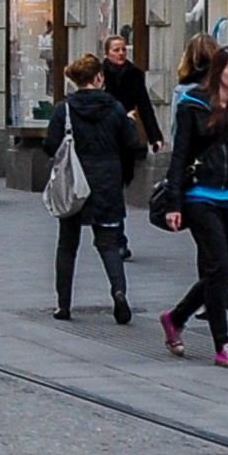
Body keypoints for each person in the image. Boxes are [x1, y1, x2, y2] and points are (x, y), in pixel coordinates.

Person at [153, 47, 228, 366]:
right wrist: (173, 203)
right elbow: (180, 156)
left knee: (217, 270)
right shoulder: (193, 104)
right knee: (219, 267)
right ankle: (224, 345)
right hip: (200, 195)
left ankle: (176, 317)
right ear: (219, 70)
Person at [49, 53, 152, 325]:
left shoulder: (65, 109)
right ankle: (118, 292)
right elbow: (131, 144)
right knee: (109, 242)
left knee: (68, 244)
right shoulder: (116, 108)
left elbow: (50, 145)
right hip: (107, 181)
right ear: (99, 77)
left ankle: (63, 304)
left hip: (74, 182)